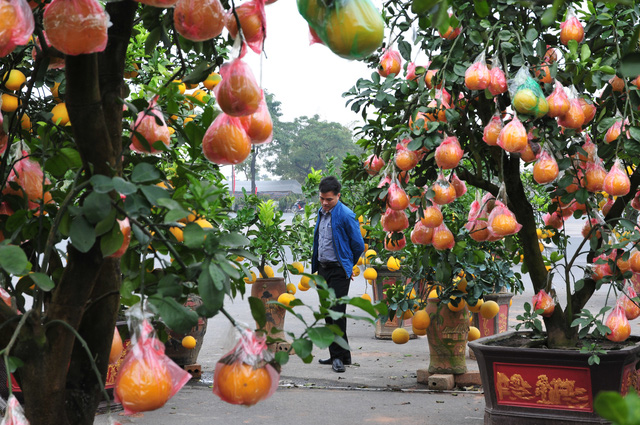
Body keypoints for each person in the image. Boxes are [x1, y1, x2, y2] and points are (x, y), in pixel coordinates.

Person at [311, 176, 365, 373]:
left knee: (337, 314)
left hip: (339, 271)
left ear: (338, 196)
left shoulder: (346, 215)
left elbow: (358, 244)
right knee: (327, 313)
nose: (325, 203)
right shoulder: (322, 212)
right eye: (322, 198)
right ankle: (342, 356)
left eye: (329, 200)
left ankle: (338, 358)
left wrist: (348, 265)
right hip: (323, 269)